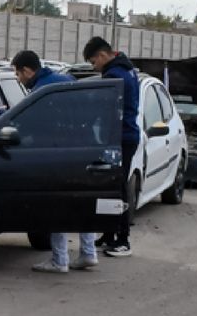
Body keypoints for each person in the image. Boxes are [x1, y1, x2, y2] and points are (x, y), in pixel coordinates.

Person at [11, 50, 98, 274]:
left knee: (57, 206)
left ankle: (60, 260)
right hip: (84, 149)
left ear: (28, 70)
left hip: (58, 154)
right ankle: (88, 252)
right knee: (82, 202)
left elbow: (35, 126)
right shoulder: (66, 79)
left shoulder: (41, 91)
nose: (18, 79)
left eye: (18, 73)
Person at [83, 36, 141, 258]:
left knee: (117, 188)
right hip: (121, 137)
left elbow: (101, 108)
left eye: (93, 62)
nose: (94, 66)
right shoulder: (125, 69)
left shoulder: (115, 76)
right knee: (110, 186)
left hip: (121, 139)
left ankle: (123, 239)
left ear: (102, 55)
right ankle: (109, 234)